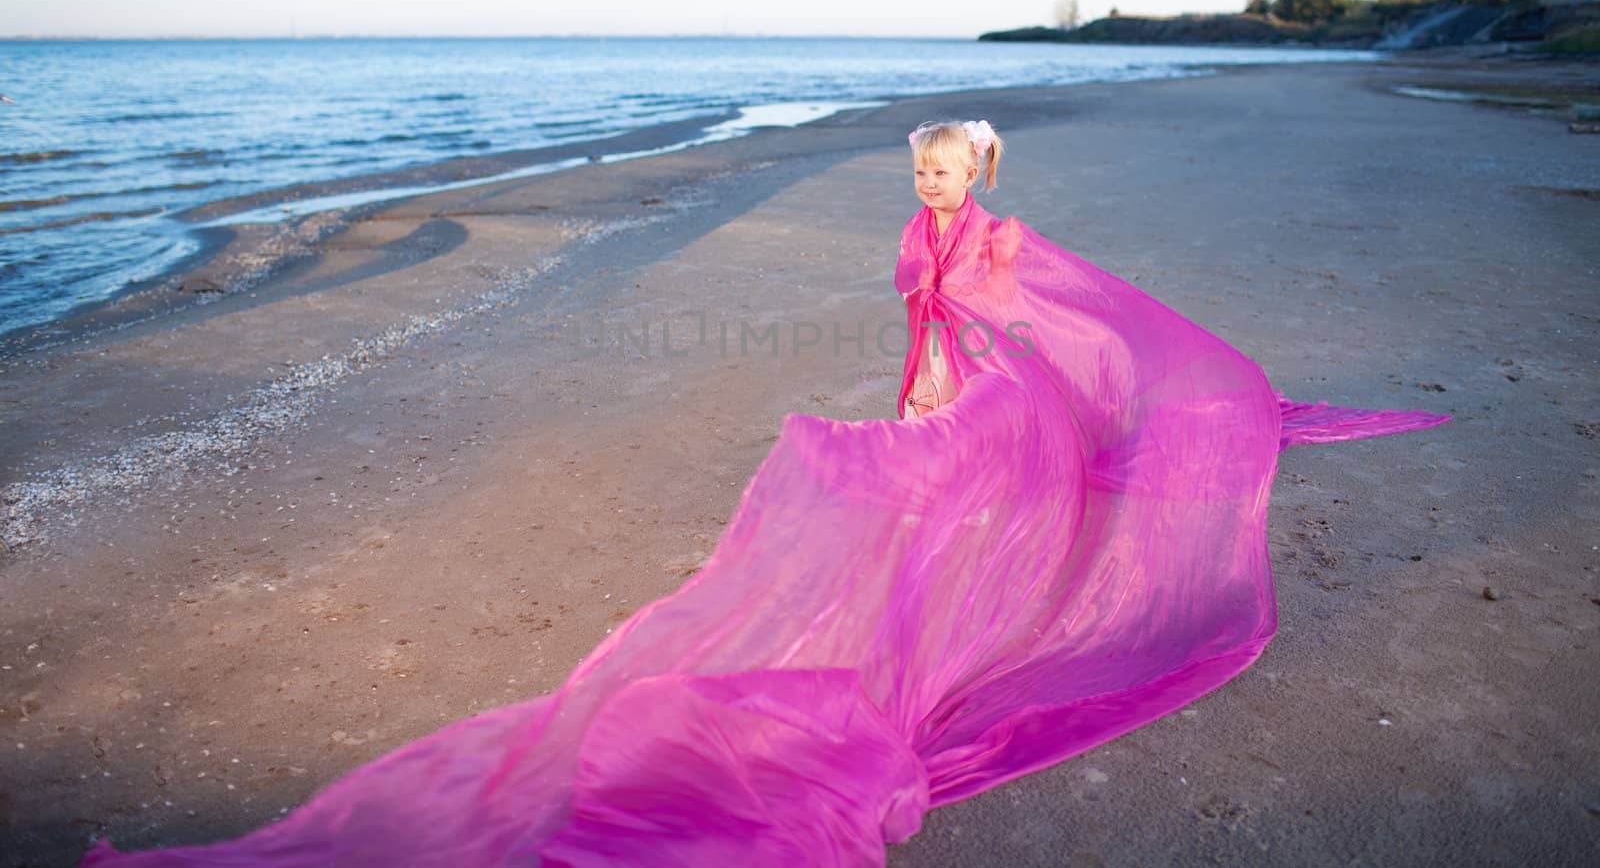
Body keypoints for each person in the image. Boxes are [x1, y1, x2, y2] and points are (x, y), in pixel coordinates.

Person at [81, 119, 1449, 867]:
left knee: (987, 518)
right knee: (932, 513)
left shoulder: (1003, 235)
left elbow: (1056, 311)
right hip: (940, 390)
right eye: (920, 166)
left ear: (984, 172)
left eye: (948, 167)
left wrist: (1024, 384)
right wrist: (916, 391)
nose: (929, 182)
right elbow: (923, 322)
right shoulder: (915, 227)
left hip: (1002, 388)